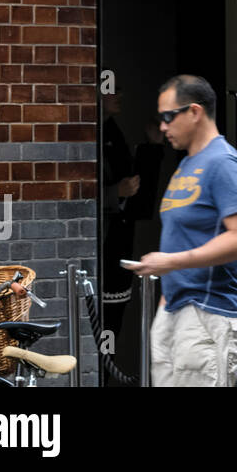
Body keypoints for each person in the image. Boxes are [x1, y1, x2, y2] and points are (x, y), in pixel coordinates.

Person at [125, 74, 237, 387]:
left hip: (210, 315)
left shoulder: (224, 164)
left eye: (168, 117)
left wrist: (170, 263)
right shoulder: (187, 165)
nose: (162, 127)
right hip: (177, 311)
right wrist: (166, 306)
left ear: (195, 112)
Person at [101, 91, 140, 340]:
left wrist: (152, 146)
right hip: (104, 247)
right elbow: (77, 192)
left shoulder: (113, 131)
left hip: (120, 243)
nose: (118, 94)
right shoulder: (91, 134)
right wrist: (115, 192)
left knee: (114, 322)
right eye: (107, 89)